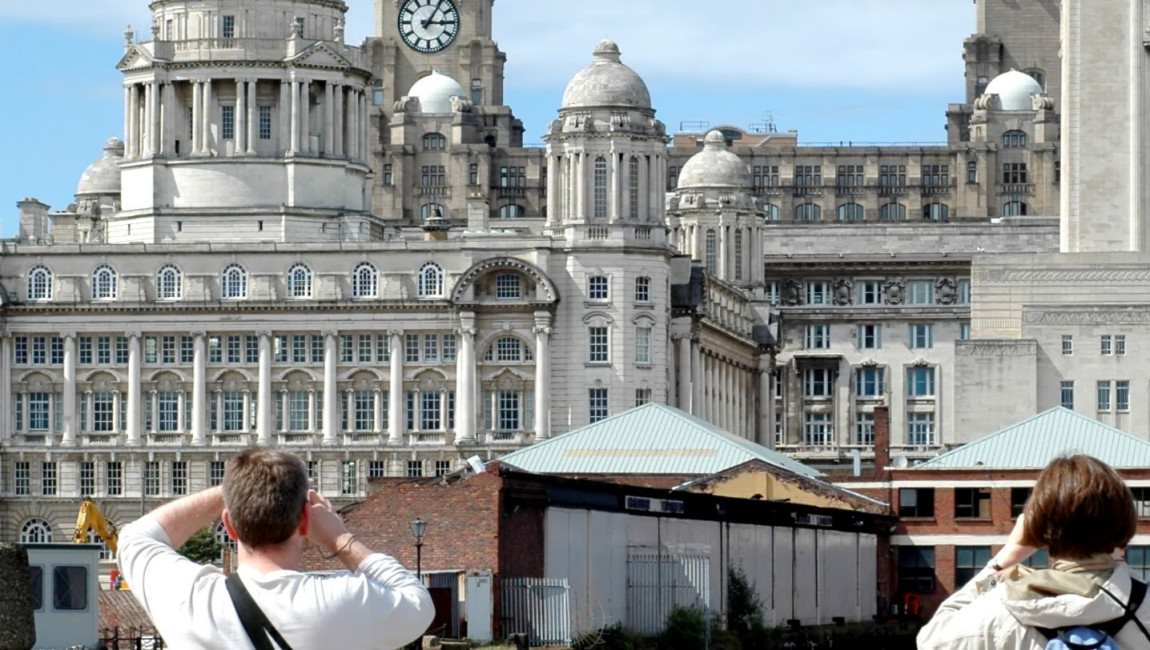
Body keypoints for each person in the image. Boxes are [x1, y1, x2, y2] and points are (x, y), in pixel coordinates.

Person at [118, 448, 434, 649]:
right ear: (306, 520)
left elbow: (136, 537)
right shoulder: (345, 600)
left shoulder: (191, 600)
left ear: (228, 525)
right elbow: (418, 602)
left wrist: (235, 488)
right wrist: (340, 539)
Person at [918, 454, 1150, 649]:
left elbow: (930, 640)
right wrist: (1119, 560)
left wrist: (1003, 560)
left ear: (1037, 527)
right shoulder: (1144, 607)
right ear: (1125, 527)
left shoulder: (995, 611)